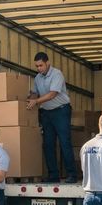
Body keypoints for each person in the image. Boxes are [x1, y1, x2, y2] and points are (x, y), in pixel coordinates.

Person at [26, 51, 77, 183]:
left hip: (61, 111)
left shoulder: (57, 74)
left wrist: (36, 102)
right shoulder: (37, 78)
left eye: (41, 65)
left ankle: (72, 174)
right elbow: (34, 93)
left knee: (64, 143)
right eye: (36, 66)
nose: (39, 68)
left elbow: (52, 94)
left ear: (48, 63)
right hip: (47, 113)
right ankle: (53, 175)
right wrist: (31, 99)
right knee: (48, 144)